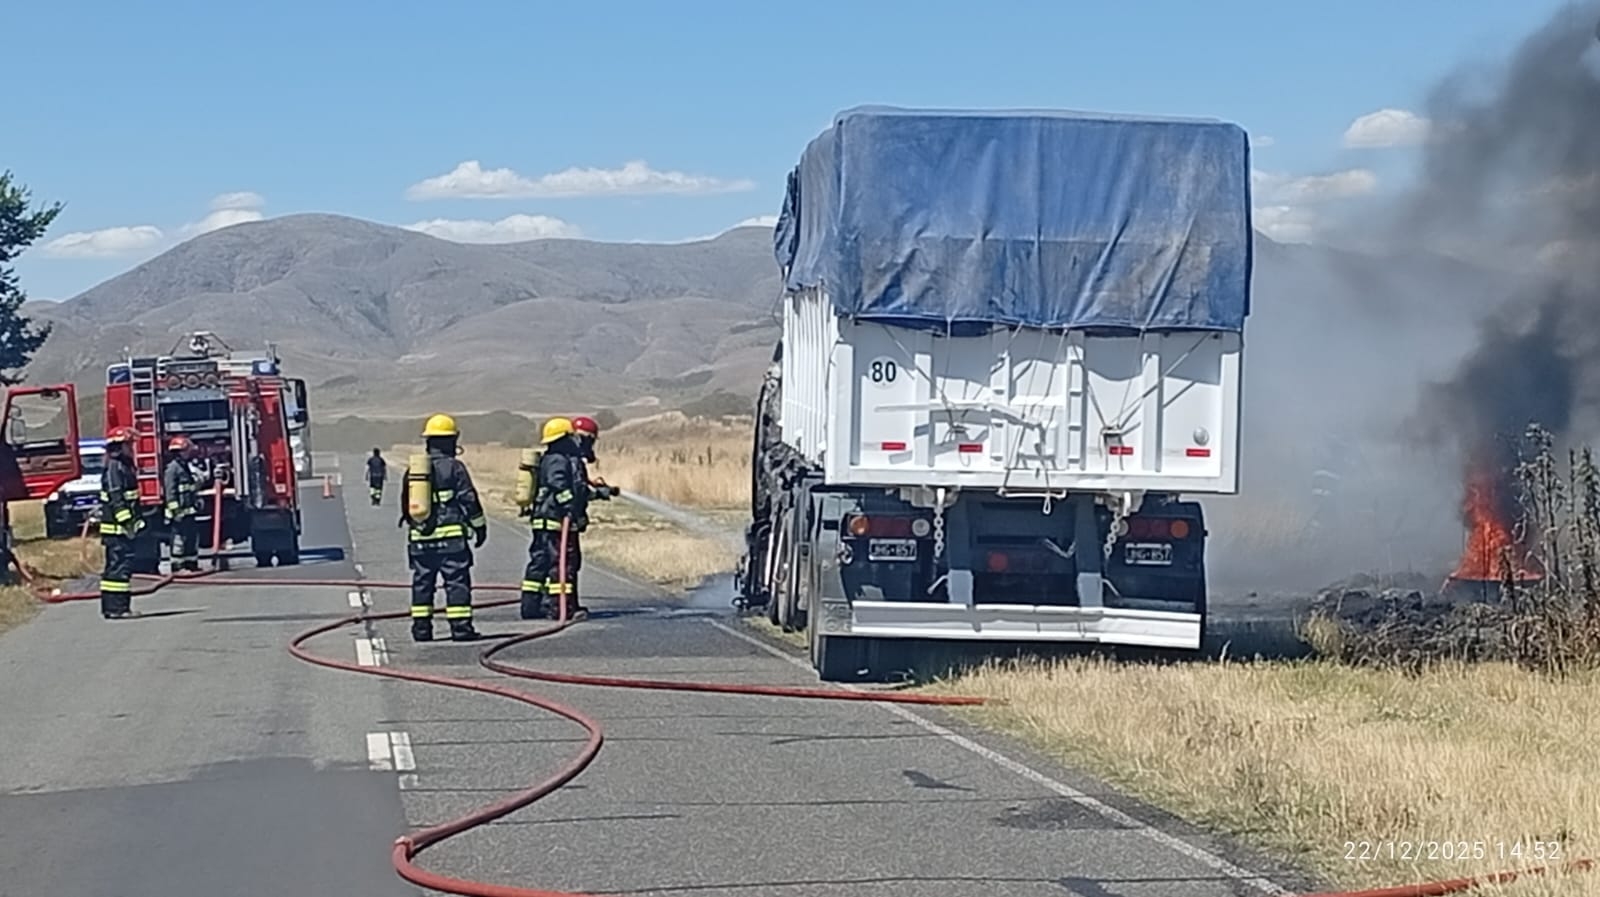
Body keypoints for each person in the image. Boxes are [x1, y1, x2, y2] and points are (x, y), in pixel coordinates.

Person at [398, 414, 488, 642]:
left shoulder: (414, 471)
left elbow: (405, 504)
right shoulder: (455, 468)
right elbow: (469, 500)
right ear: (452, 440)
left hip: (421, 540)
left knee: (422, 582)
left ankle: (421, 630)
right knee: (456, 582)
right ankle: (461, 629)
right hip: (451, 541)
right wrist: (480, 527)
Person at [520, 417, 588, 621]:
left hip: (543, 518)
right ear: (565, 438)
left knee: (540, 563)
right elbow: (558, 484)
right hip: (555, 521)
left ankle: (531, 606)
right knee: (562, 564)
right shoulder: (558, 459)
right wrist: (569, 506)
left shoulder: (549, 458)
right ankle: (561, 608)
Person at [566, 416, 617, 612]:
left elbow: (578, 484)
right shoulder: (573, 461)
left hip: (554, 520)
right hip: (565, 522)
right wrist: (598, 493)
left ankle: (543, 604)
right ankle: (566, 606)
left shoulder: (561, 459)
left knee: (549, 563)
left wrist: (596, 485)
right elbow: (578, 491)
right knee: (568, 564)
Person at [98, 427, 144, 619]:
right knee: (118, 570)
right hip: (117, 530)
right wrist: (127, 522)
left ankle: (114, 608)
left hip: (120, 529)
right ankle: (117, 608)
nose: (131, 448)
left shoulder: (122, 465)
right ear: (119, 446)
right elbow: (117, 497)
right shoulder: (115, 467)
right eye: (128, 444)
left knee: (118, 569)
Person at [162, 435, 202, 573]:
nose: (188, 453)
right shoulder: (172, 469)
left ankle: (191, 564)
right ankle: (177, 566)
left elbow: (189, 488)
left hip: (189, 511)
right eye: (186, 451)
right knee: (179, 540)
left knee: (191, 538)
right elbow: (170, 492)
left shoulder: (185, 467)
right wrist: (176, 512)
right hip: (179, 514)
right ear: (178, 452)